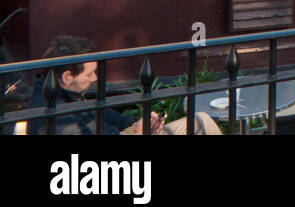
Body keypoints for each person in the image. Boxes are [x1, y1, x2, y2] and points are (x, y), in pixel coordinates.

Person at [26, 35, 220, 135]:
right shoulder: (53, 115)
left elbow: (105, 115)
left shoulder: (69, 93)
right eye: (90, 73)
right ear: (68, 76)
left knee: (201, 120)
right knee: (200, 125)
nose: (95, 78)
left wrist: (136, 124)